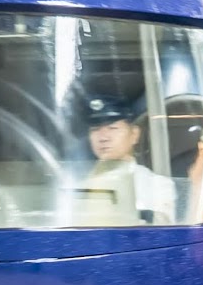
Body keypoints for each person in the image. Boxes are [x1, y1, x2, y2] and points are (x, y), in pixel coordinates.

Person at [76, 93, 179, 223]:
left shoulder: (157, 187)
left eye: (112, 128)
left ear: (134, 134)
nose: (103, 137)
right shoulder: (76, 184)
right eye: (95, 129)